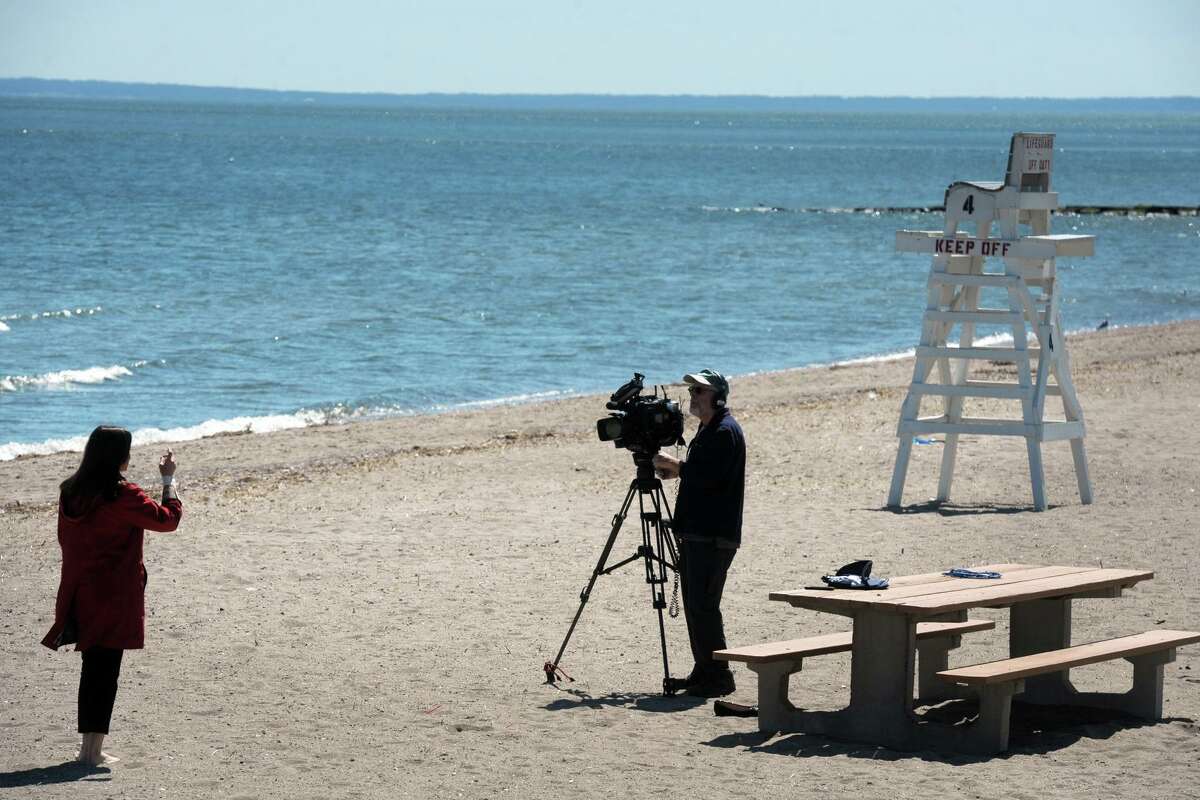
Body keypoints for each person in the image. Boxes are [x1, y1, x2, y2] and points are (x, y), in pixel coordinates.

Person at [41, 426, 184, 767]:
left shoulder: (71, 491)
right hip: (114, 592)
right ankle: (90, 753)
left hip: (80, 588)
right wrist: (169, 482)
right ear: (121, 456)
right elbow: (168, 520)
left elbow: (68, 541)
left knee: (95, 666)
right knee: (105, 669)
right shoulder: (121, 494)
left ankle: (89, 748)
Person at [652, 369, 746, 698]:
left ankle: (719, 676)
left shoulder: (723, 431)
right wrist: (678, 473)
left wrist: (678, 467)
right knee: (695, 605)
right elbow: (703, 477)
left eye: (700, 392)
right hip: (700, 533)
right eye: (691, 391)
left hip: (713, 535)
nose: (692, 396)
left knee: (704, 606)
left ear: (718, 396)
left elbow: (710, 478)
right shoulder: (710, 431)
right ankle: (703, 670)